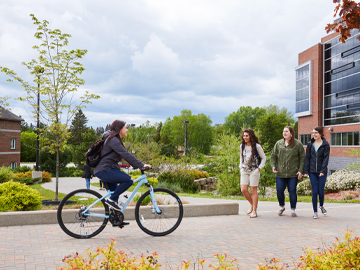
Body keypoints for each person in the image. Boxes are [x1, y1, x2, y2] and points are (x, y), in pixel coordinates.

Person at [94, 120, 151, 215]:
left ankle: (115, 217)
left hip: (107, 169)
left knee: (114, 195)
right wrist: (141, 165)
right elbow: (126, 155)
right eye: (125, 128)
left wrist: (136, 165)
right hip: (105, 170)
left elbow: (123, 156)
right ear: (120, 129)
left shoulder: (113, 139)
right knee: (128, 180)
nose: (127, 130)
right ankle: (111, 200)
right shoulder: (113, 140)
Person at [271, 126, 305, 217]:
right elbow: (273, 156)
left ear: (291, 133)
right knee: (279, 190)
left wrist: (300, 171)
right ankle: (282, 207)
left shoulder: (297, 144)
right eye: (283, 131)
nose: (284, 133)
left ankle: (293, 210)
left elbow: (302, 158)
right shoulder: (279, 143)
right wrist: (273, 166)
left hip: (293, 173)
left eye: (286, 131)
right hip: (280, 173)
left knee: (292, 191)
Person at [303, 127, 330, 219]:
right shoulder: (310, 144)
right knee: (315, 192)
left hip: (322, 172)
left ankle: (321, 206)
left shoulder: (326, 145)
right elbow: (307, 158)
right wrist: (306, 171)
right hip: (312, 172)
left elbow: (326, 159)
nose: (314, 134)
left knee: (321, 192)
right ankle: (315, 212)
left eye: (316, 133)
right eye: (313, 132)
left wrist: (322, 171)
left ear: (321, 134)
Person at [239, 129, 266, 218]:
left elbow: (263, 158)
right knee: (243, 190)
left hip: (254, 171)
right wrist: (240, 167)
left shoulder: (257, 146)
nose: (245, 137)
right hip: (244, 170)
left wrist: (259, 168)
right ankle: (252, 204)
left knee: (253, 190)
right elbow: (241, 157)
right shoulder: (242, 146)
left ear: (251, 136)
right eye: (244, 136)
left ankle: (254, 210)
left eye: (247, 136)